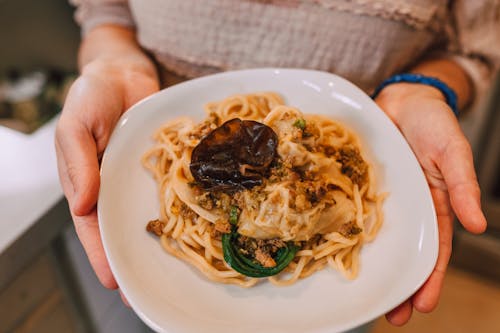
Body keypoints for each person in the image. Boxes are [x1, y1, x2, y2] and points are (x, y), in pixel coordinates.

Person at [55, 0, 498, 329]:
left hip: (373, 132)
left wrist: (421, 89)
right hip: (170, 136)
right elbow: (106, 13)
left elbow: (474, 47)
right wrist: (112, 64)